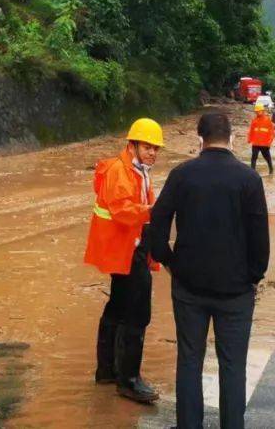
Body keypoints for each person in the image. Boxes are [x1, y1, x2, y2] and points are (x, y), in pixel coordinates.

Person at [149, 112, 269, 429]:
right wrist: (252, 277)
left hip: (189, 286)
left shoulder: (182, 174)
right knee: (233, 366)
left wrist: (170, 261)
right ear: (232, 138)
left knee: (189, 361)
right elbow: (260, 238)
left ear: (199, 139)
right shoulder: (249, 179)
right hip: (236, 291)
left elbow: (156, 225)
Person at [83, 117, 163, 403]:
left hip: (126, 248)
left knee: (117, 307)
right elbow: (123, 212)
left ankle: (107, 371)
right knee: (138, 314)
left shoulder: (138, 170)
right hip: (126, 250)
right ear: (132, 144)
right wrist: (155, 211)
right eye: (147, 146)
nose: (152, 152)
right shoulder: (121, 171)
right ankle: (128, 381)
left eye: (156, 148)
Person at [247, 102, 275, 175]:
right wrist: (249, 139)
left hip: (264, 143)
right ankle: (252, 172)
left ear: (262, 111)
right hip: (256, 143)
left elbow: (271, 132)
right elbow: (251, 130)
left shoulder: (267, 120)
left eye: (258, 111)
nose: (257, 112)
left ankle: (271, 170)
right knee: (253, 157)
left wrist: (269, 142)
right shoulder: (254, 120)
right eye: (256, 111)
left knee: (267, 157)